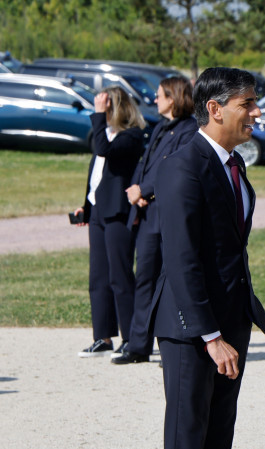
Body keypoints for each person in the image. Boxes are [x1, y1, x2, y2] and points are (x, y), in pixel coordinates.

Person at [150, 67, 265, 449]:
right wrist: (211, 336)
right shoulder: (182, 165)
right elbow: (182, 259)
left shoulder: (233, 164)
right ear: (215, 109)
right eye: (247, 104)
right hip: (192, 332)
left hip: (231, 324)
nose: (255, 113)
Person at [114, 76, 198, 365]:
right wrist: (137, 190)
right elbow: (146, 163)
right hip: (149, 214)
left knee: (174, 281)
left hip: (170, 215)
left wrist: (145, 190)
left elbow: (173, 169)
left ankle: (176, 344)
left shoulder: (189, 130)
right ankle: (138, 345)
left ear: (172, 99)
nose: (154, 100)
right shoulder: (161, 127)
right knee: (145, 279)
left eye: (160, 95)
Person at [74, 86, 146, 357]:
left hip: (118, 213)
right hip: (98, 212)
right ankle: (103, 338)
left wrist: (97, 115)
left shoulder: (131, 136)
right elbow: (96, 176)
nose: (101, 110)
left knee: (120, 277)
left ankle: (131, 338)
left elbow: (104, 151)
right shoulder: (105, 135)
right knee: (98, 278)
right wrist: (85, 207)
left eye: (105, 106)